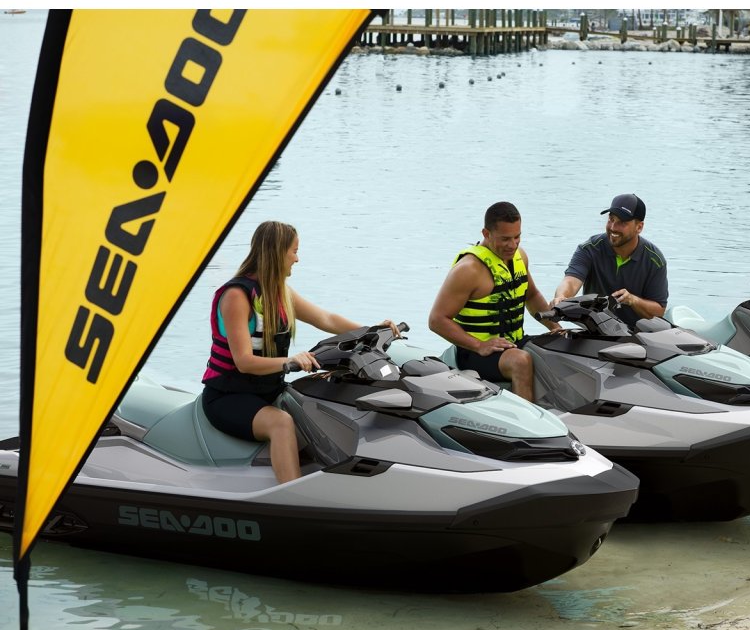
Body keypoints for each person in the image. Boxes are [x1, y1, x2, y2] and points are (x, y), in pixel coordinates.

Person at [201, 220, 397, 484]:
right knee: (281, 423)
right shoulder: (237, 296)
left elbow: (326, 319)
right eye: (293, 251)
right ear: (276, 252)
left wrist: (372, 329)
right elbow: (244, 362)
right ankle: (291, 495)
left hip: (267, 391)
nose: (297, 259)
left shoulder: (280, 292)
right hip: (228, 396)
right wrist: (289, 361)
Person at [428, 201, 560, 402]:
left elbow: (531, 296)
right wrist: (479, 345)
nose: (513, 245)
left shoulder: (520, 257)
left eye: (517, 237)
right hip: (473, 353)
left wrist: (555, 327)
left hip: (513, 342)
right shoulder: (468, 270)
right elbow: (437, 320)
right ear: (486, 234)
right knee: (520, 361)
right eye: (505, 239)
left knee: (559, 348)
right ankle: (527, 420)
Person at [551, 193, 669, 329]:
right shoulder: (589, 248)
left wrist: (633, 300)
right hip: (595, 332)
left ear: (639, 227)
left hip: (637, 335)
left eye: (622, 222)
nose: (613, 227)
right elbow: (570, 281)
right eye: (611, 219)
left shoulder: (655, 260)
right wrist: (562, 297)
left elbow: (659, 311)